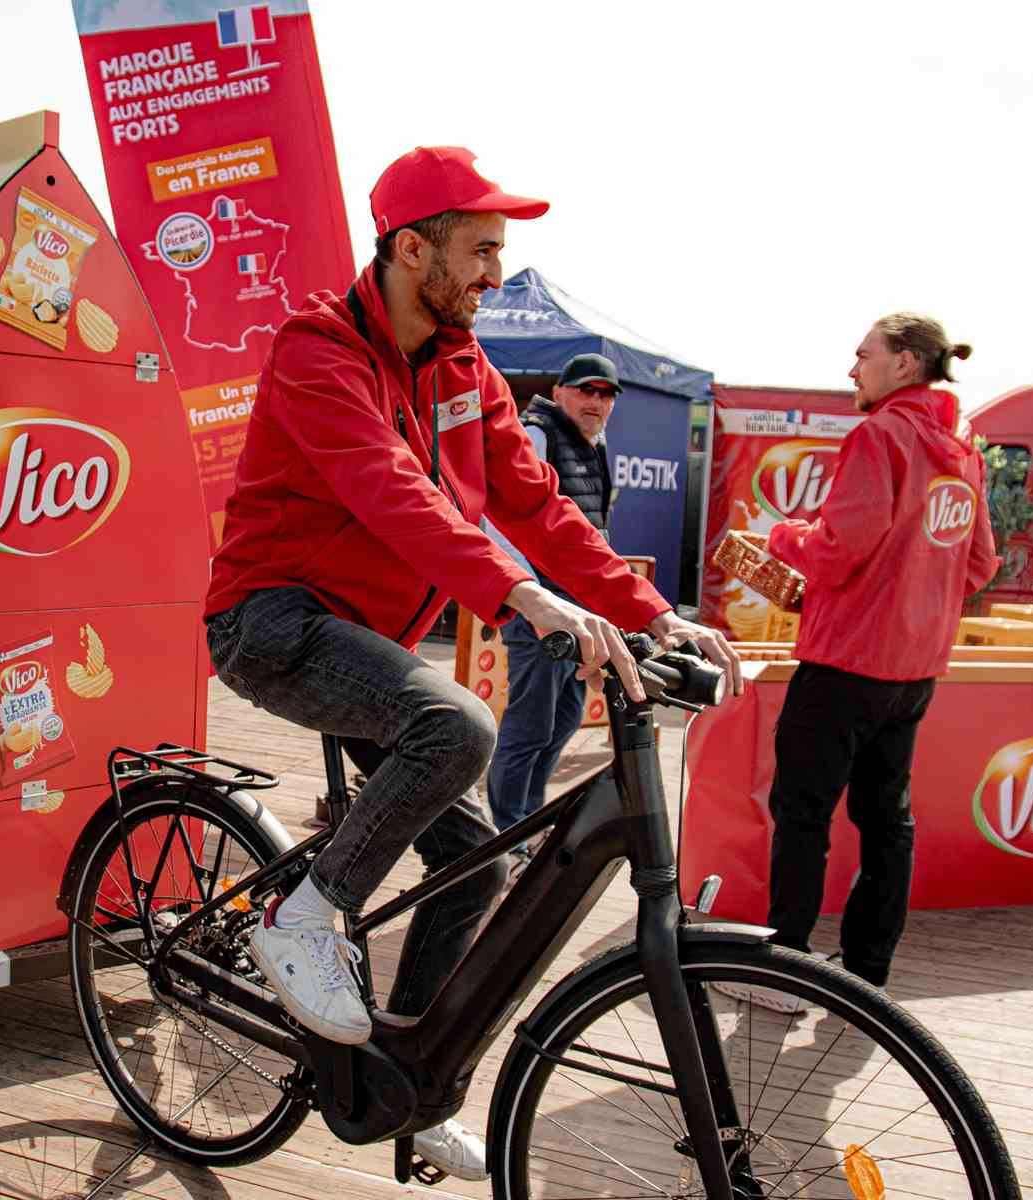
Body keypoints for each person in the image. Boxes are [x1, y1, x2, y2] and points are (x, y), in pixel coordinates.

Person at [203, 145, 740, 1179]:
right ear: (413, 251)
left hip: (368, 643)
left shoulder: (462, 369)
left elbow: (541, 505)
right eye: (481, 250)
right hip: (270, 620)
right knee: (459, 727)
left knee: (478, 862)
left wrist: (649, 613)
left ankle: (405, 1089)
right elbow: (388, 490)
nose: (496, 273)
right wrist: (520, 594)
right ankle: (304, 914)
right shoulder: (317, 351)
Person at [758, 313, 998, 1000]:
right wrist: (918, 592)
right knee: (886, 821)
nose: (851, 369)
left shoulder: (879, 434)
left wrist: (784, 537)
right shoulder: (961, 447)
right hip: (914, 670)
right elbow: (978, 562)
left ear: (902, 364)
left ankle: (782, 969)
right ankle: (866, 975)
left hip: (844, 662)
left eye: (862, 355)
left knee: (803, 814)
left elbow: (836, 551)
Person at [485, 353, 624, 849]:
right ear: (560, 391)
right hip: (542, 607)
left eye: (606, 394)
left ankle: (525, 818)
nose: (596, 401)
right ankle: (504, 836)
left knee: (564, 717)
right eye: (586, 390)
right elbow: (499, 522)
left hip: (576, 608)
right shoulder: (538, 434)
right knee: (531, 722)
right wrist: (529, 597)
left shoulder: (592, 443)